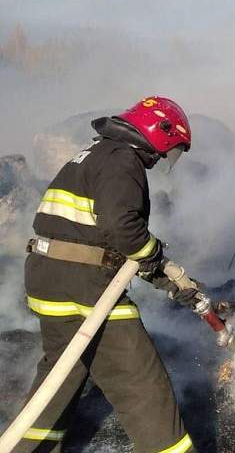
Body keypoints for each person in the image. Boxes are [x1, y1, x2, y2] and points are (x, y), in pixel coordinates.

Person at [16, 97, 199, 452]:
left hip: (46, 276)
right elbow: (123, 230)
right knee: (141, 381)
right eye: (170, 148)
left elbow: (104, 238)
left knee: (60, 377)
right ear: (159, 131)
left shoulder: (93, 154)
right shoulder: (123, 159)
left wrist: (168, 279)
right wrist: (155, 255)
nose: (163, 158)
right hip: (82, 282)